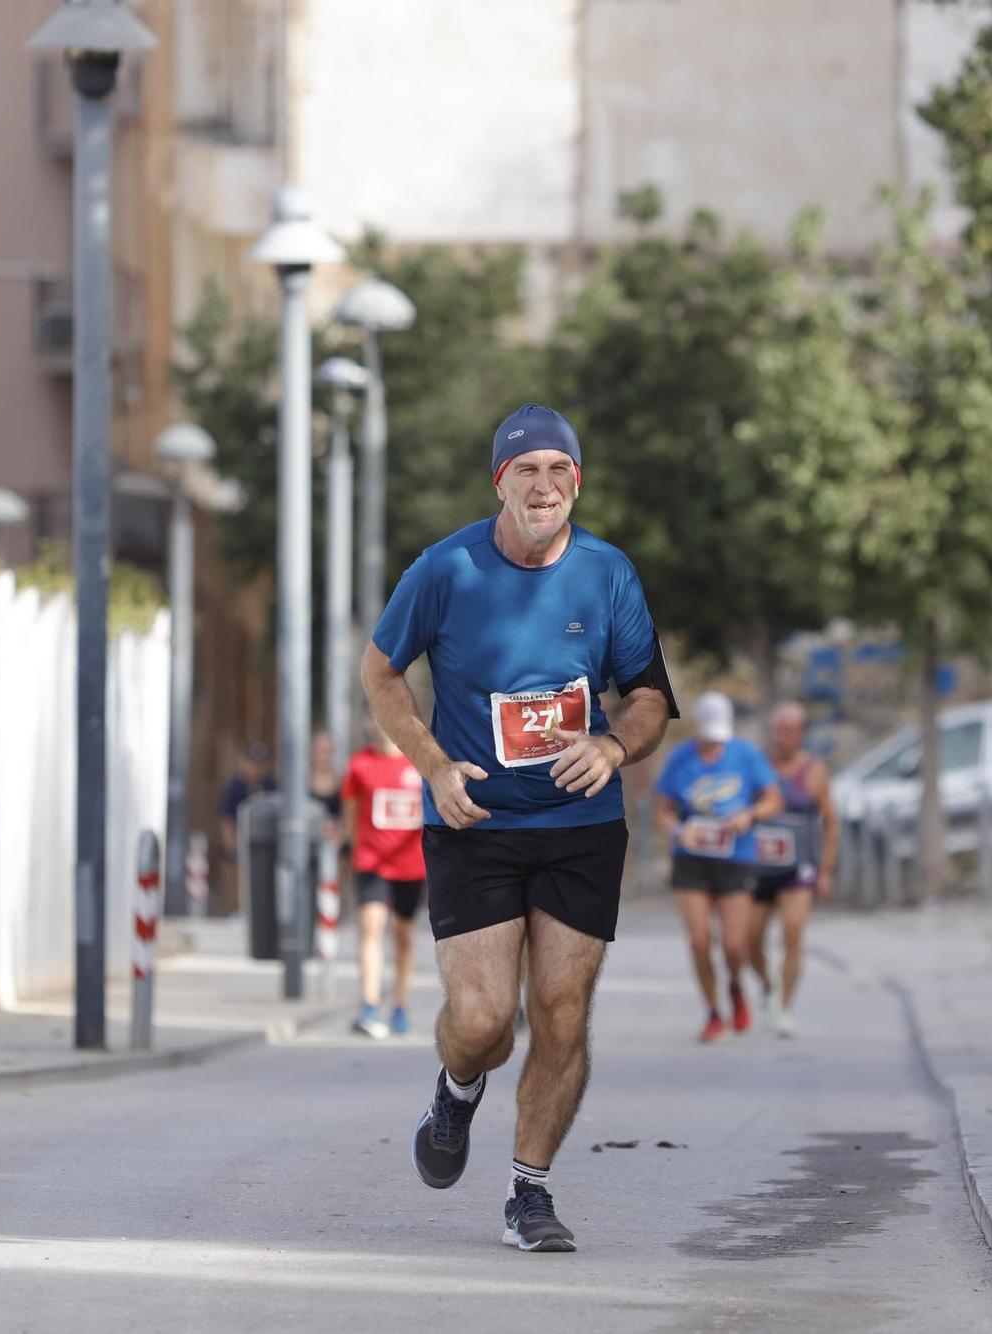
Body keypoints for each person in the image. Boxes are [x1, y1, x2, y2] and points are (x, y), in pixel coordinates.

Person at [361, 402, 677, 1253]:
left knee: (562, 1010)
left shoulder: (608, 573)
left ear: (577, 482)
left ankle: (528, 1193)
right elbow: (382, 671)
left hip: (581, 823)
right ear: (500, 482)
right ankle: (457, 1089)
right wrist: (431, 764)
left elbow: (649, 696)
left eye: (559, 471)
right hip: (477, 823)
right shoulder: (445, 568)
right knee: (482, 1019)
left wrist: (612, 746)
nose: (544, 486)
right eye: (526, 470)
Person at [653, 691, 783, 1044]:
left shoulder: (746, 755)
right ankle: (713, 1012)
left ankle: (737, 986)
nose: (713, 742)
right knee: (699, 940)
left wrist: (749, 815)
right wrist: (680, 830)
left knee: (733, 943)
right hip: (692, 859)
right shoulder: (681, 758)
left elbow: (773, 800)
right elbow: (662, 810)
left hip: (735, 856)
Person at [746, 701, 839, 1038]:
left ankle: (784, 1008)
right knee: (748, 942)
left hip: (797, 869)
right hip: (758, 868)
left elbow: (830, 823)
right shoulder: (757, 765)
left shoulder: (813, 772)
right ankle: (768, 986)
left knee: (793, 931)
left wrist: (825, 870)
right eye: (777, 730)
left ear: (802, 734)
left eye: (787, 731)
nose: (780, 737)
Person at [340, 723, 426, 1039]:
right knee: (371, 928)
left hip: (410, 865)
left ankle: (400, 1005)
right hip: (371, 863)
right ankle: (369, 1004)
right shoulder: (359, 765)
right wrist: (346, 851)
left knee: (402, 934)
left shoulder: (417, 763)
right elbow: (350, 814)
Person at [216, 743, 275, 913]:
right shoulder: (235, 788)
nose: (256, 768)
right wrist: (230, 842)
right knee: (238, 873)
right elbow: (227, 818)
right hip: (241, 839)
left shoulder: (270, 785)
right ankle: (237, 908)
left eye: (260, 764)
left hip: (265, 841)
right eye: (252, 763)